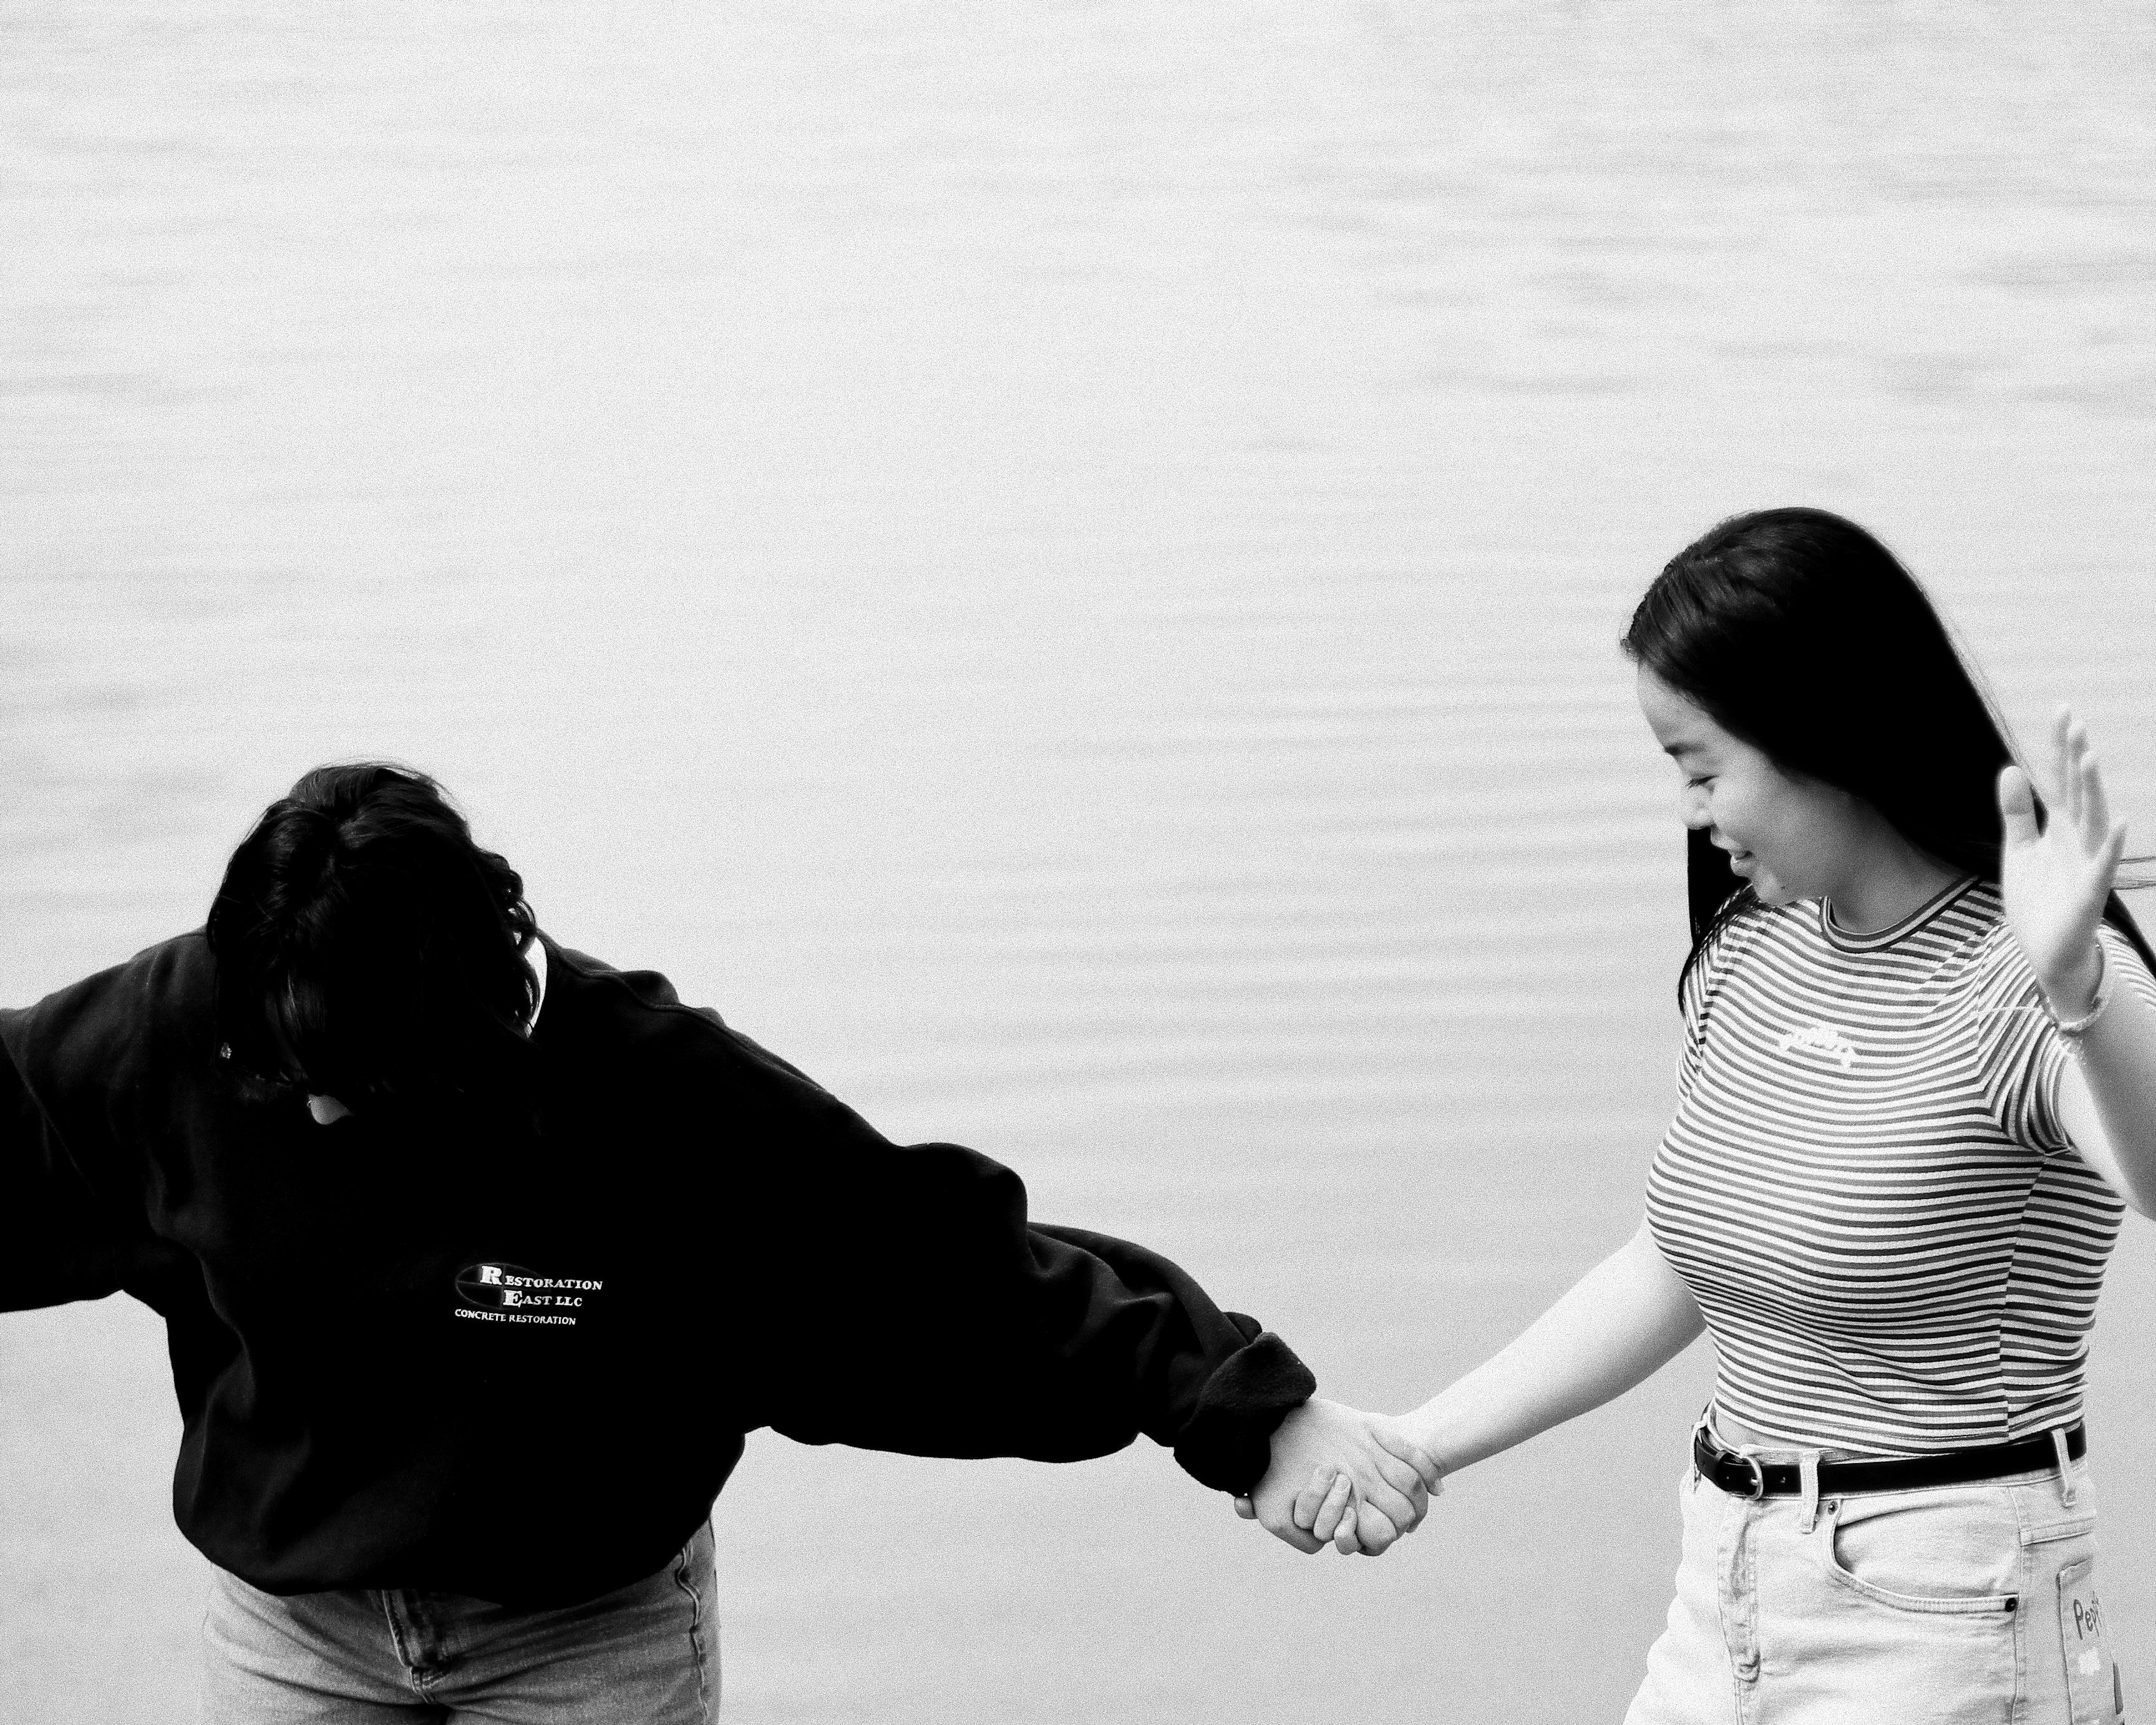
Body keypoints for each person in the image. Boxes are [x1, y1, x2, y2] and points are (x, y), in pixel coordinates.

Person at [0, 762, 1439, 1723]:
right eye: (269, 1072)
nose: (301, 1108)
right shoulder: (204, 1023)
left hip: (583, 1642)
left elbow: (941, 1269)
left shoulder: (663, 1099)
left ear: (462, 1042)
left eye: (345, 1090)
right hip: (289, 1640)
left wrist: (1247, 1414)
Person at [1280, 509, 2155, 1721]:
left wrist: (2083, 989)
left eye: (1701, 767)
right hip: (1725, 1587)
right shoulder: (1755, 955)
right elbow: (1674, 1267)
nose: (1695, 813)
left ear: (1822, 734)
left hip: (1953, 1608)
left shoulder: (2026, 973)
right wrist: (1421, 1441)